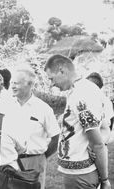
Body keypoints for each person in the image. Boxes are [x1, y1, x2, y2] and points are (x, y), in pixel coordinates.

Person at [44, 54, 111, 189]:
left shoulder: (82, 94)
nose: (52, 84)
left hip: (81, 176)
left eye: (51, 78)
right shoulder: (77, 90)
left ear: (62, 70)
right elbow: (104, 127)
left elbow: (98, 143)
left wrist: (105, 180)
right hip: (77, 174)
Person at [10, 66, 60, 189]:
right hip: (10, 162)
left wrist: (41, 157)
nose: (12, 86)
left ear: (30, 84)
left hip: (34, 162)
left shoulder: (43, 108)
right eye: (12, 83)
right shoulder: (6, 106)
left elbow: (55, 137)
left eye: (16, 83)